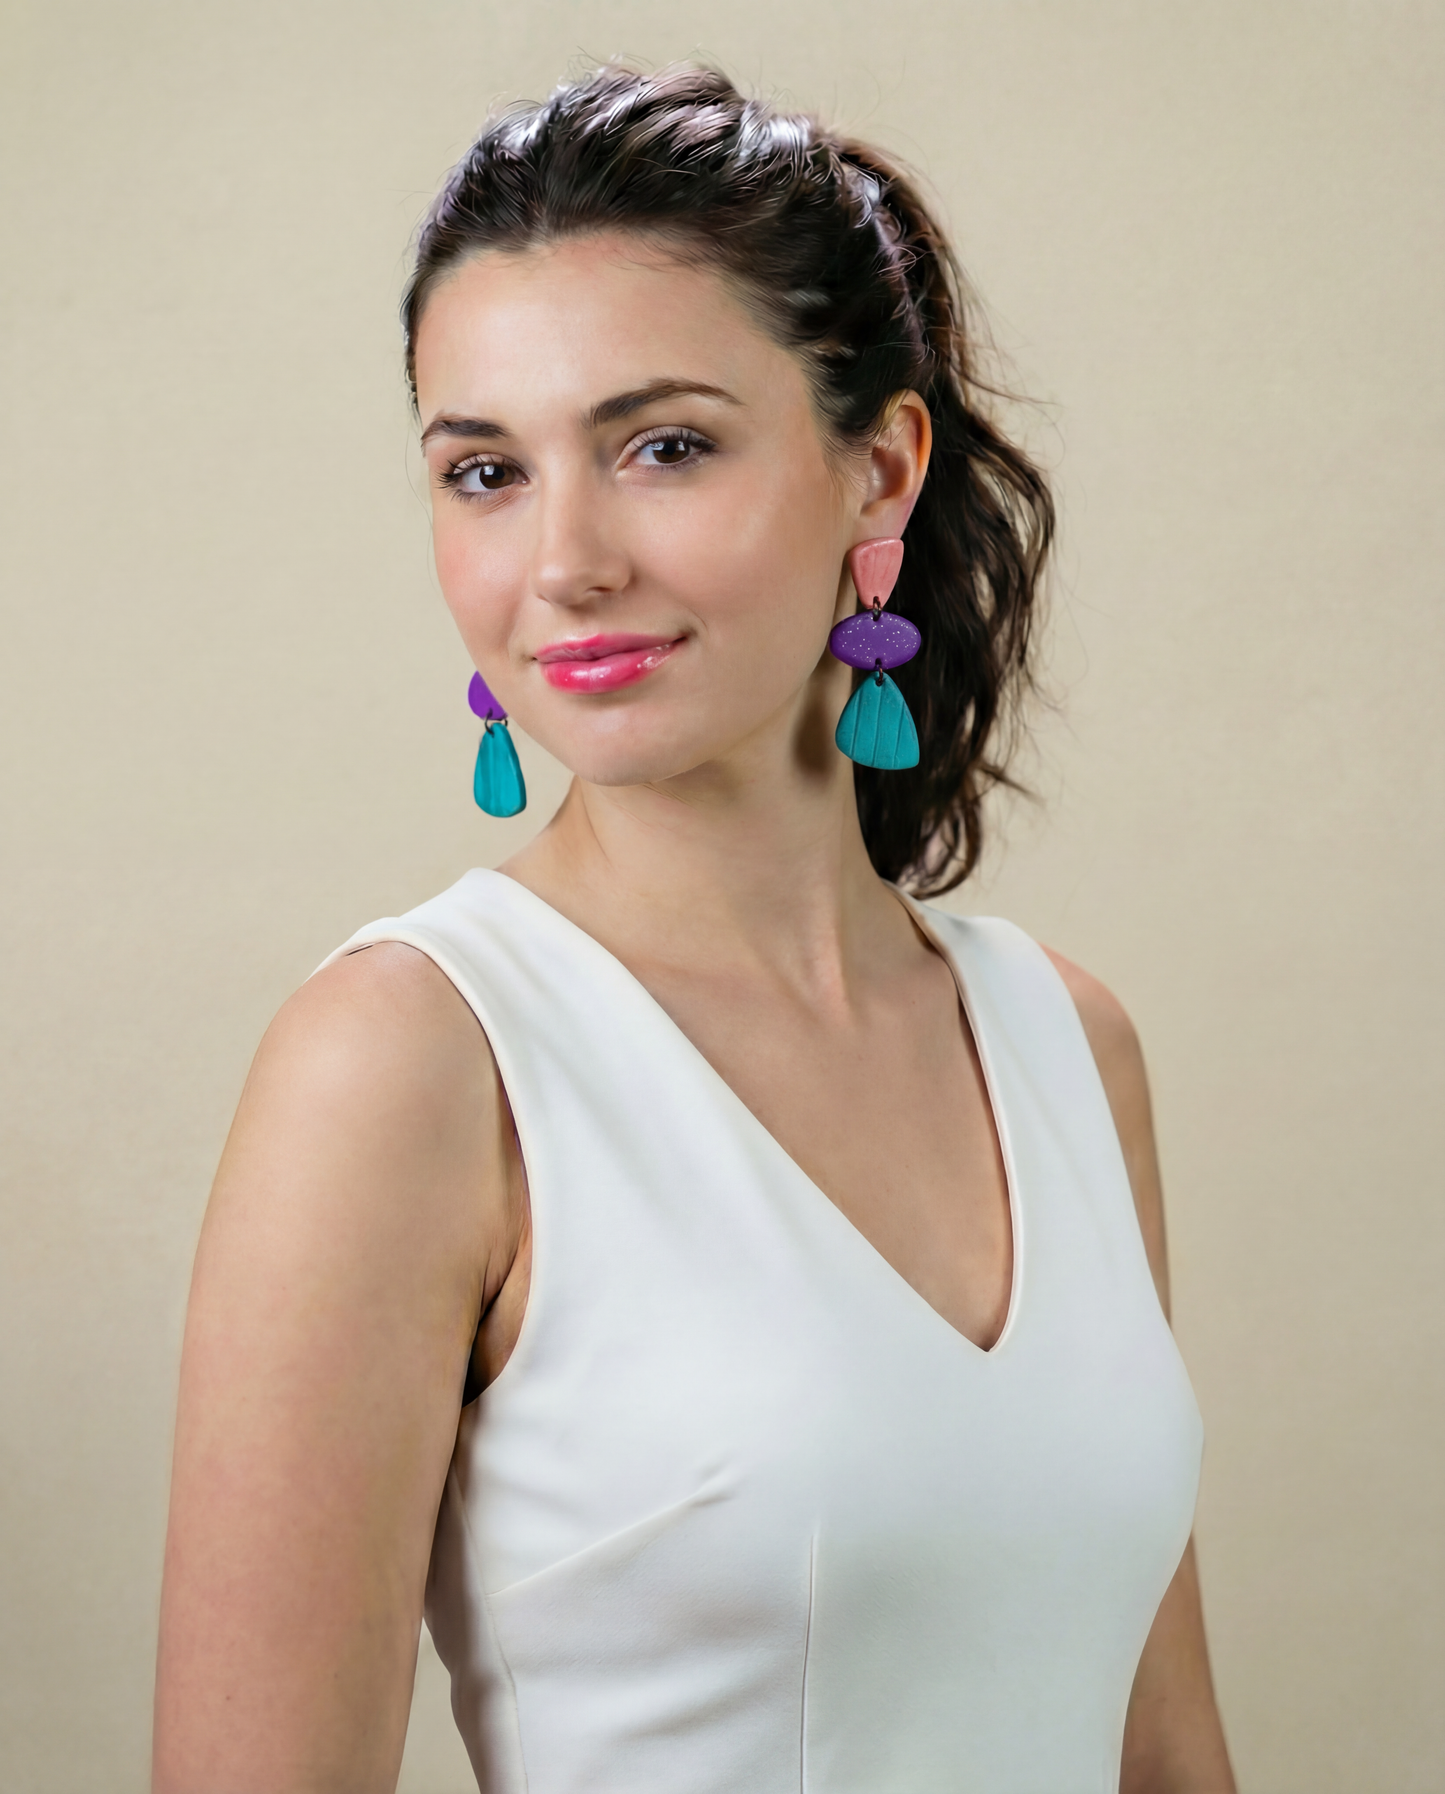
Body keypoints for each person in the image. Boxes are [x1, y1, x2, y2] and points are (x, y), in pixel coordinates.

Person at [152, 62, 1237, 1794]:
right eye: (485, 471)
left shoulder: (1069, 1047)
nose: (565, 561)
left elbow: (1164, 1754)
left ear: (879, 469)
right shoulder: (411, 1064)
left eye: (662, 446)